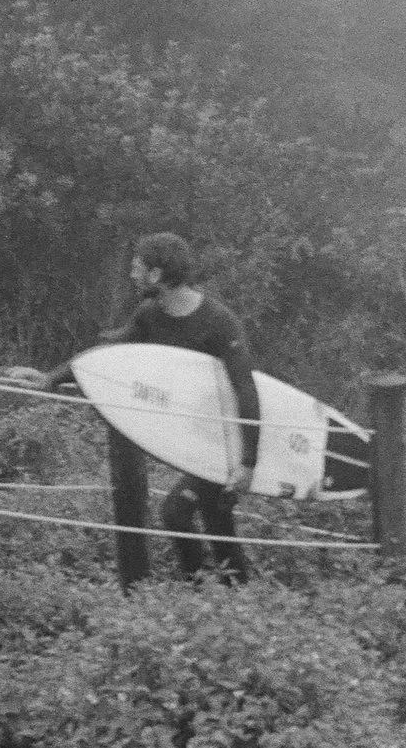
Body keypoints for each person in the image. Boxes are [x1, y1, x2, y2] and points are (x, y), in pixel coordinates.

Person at [28, 233, 258, 583]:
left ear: (156, 275)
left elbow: (245, 387)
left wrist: (248, 461)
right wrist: (51, 377)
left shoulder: (218, 321)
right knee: (215, 520)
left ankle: (205, 592)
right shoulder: (150, 314)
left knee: (178, 513)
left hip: (226, 441)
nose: (132, 276)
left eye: (137, 269)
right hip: (195, 442)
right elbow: (111, 353)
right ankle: (228, 596)